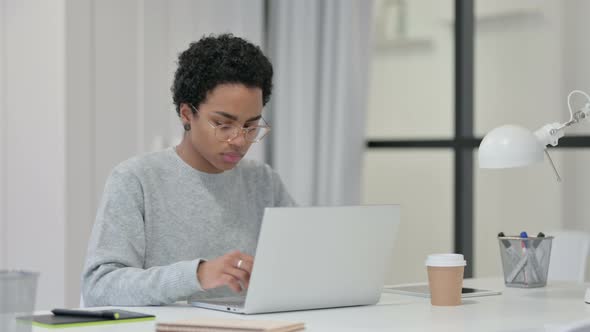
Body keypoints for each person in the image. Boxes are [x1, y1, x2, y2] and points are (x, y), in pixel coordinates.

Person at [81, 33, 295, 306]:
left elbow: (302, 260)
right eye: (223, 124)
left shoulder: (263, 182)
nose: (240, 140)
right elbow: (98, 287)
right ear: (186, 114)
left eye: (251, 126)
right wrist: (197, 275)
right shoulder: (136, 180)